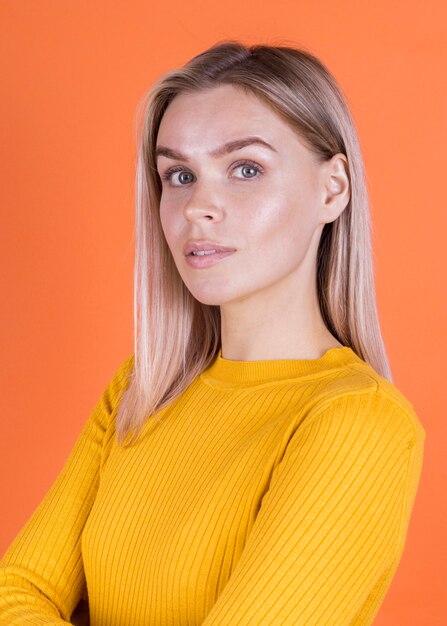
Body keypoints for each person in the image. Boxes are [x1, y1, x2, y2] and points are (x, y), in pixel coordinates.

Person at [0, 40, 425, 626]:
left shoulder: (357, 423)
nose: (198, 206)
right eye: (178, 174)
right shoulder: (143, 389)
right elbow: (17, 593)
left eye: (244, 169)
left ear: (333, 189)